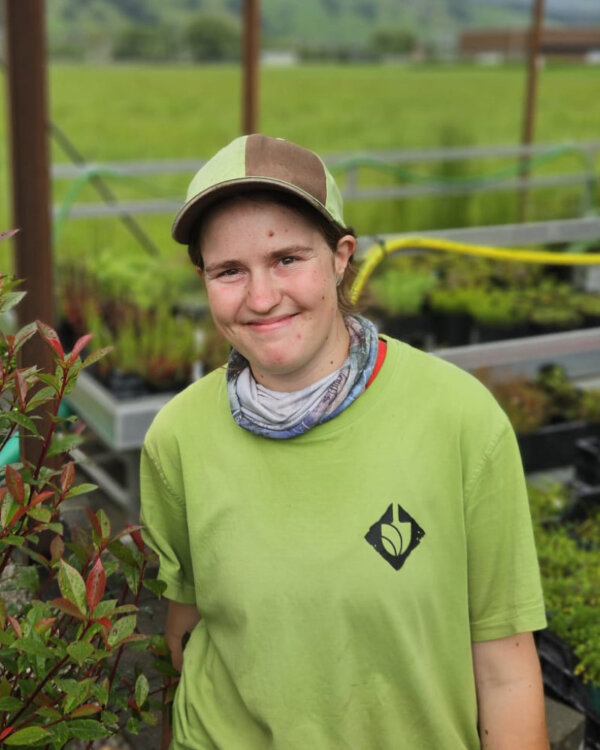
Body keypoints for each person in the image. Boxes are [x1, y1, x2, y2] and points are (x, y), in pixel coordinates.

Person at [140, 134, 550, 750]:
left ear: (339, 257)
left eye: (287, 259)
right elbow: (186, 632)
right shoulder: (177, 437)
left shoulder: (460, 421)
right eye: (229, 270)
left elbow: (505, 669)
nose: (260, 297)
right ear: (203, 278)